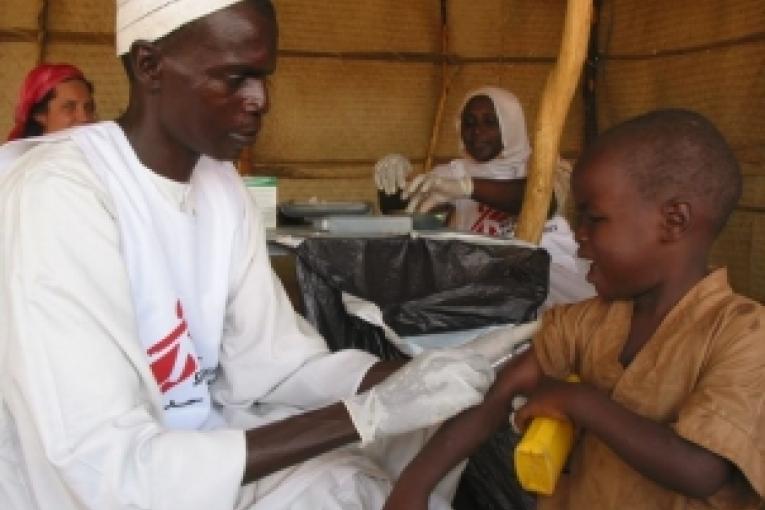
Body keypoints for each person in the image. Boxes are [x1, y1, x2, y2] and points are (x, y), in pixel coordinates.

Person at [0, 1, 514, 509]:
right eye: (234, 78)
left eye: (264, 77)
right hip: (94, 489)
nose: (260, 99)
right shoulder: (60, 195)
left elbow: (275, 364)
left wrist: (426, 381)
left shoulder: (220, 185)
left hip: (203, 450)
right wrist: (368, 414)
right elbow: (105, 468)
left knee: (380, 469)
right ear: (149, 65)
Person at [382, 109, 765, 510]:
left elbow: (702, 470)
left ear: (673, 221)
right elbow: (501, 392)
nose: (577, 236)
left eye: (594, 218)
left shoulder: (744, 334)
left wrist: (578, 401)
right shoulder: (586, 322)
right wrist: (416, 484)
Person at [376, 87, 594, 306]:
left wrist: (467, 188)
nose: (477, 132)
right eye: (469, 123)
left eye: (490, 122)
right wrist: (392, 183)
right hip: (481, 285)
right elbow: (401, 208)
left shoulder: (545, 165)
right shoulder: (453, 173)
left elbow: (543, 200)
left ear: (511, 126)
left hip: (552, 280)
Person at [7, 62, 96, 140]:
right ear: (39, 113)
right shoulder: (28, 158)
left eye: (88, 108)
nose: (85, 118)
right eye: (69, 107)